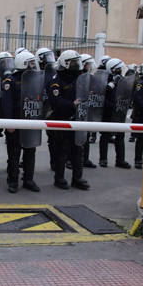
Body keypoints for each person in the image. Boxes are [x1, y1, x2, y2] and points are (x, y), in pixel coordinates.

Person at [47, 50, 90, 190]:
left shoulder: (80, 77)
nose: (76, 65)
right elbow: (55, 101)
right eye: (73, 62)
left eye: (77, 62)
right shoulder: (56, 80)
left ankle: (77, 178)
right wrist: (71, 105)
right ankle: (59, 178)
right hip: (63, 119)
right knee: (63, 150)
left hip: (78, 118)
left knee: (78, 149)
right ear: (65, 63)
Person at [0, 50, 41, 193]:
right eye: (30, 62)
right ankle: (13, 181)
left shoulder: (35, 78)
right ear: (23, 63)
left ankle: (28, 180)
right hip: (16, 123)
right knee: (14, 154)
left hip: (31, 120)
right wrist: (9, 123)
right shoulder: (10, 81)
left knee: (30, 151)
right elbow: (6, 103)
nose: (33, 65)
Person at [99, 58, 132, 169]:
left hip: (119, 110)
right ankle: (103, 159)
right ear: (113, 69)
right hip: (108, 111)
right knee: (105, 135)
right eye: (119, 68)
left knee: (120, 135)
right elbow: (103, 95)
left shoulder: (123, 80)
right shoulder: (105, 79)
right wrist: (112, 84)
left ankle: (120, 160)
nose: (121, 70)